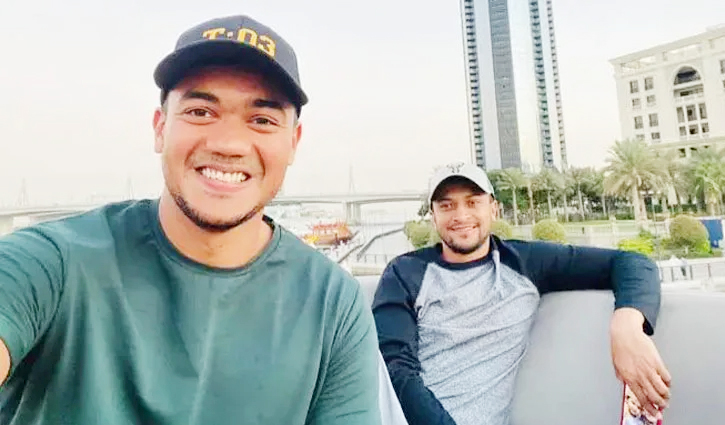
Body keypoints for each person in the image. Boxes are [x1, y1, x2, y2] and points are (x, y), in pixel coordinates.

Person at [0, 15, 381, 424]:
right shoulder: (56, 263)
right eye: (200, 111)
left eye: (262, 120)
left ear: (293, 143)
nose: (229, 144)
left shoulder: (331, 305)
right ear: (160, 128)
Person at [372, 162, 671, 425]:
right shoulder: (405, 272)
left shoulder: (525, 263)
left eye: (472, 202)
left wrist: (627, 327)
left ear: (493, 208)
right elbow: (395, 367)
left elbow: (632, 263)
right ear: (433, 216)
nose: (461, 215)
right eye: (447, 206)